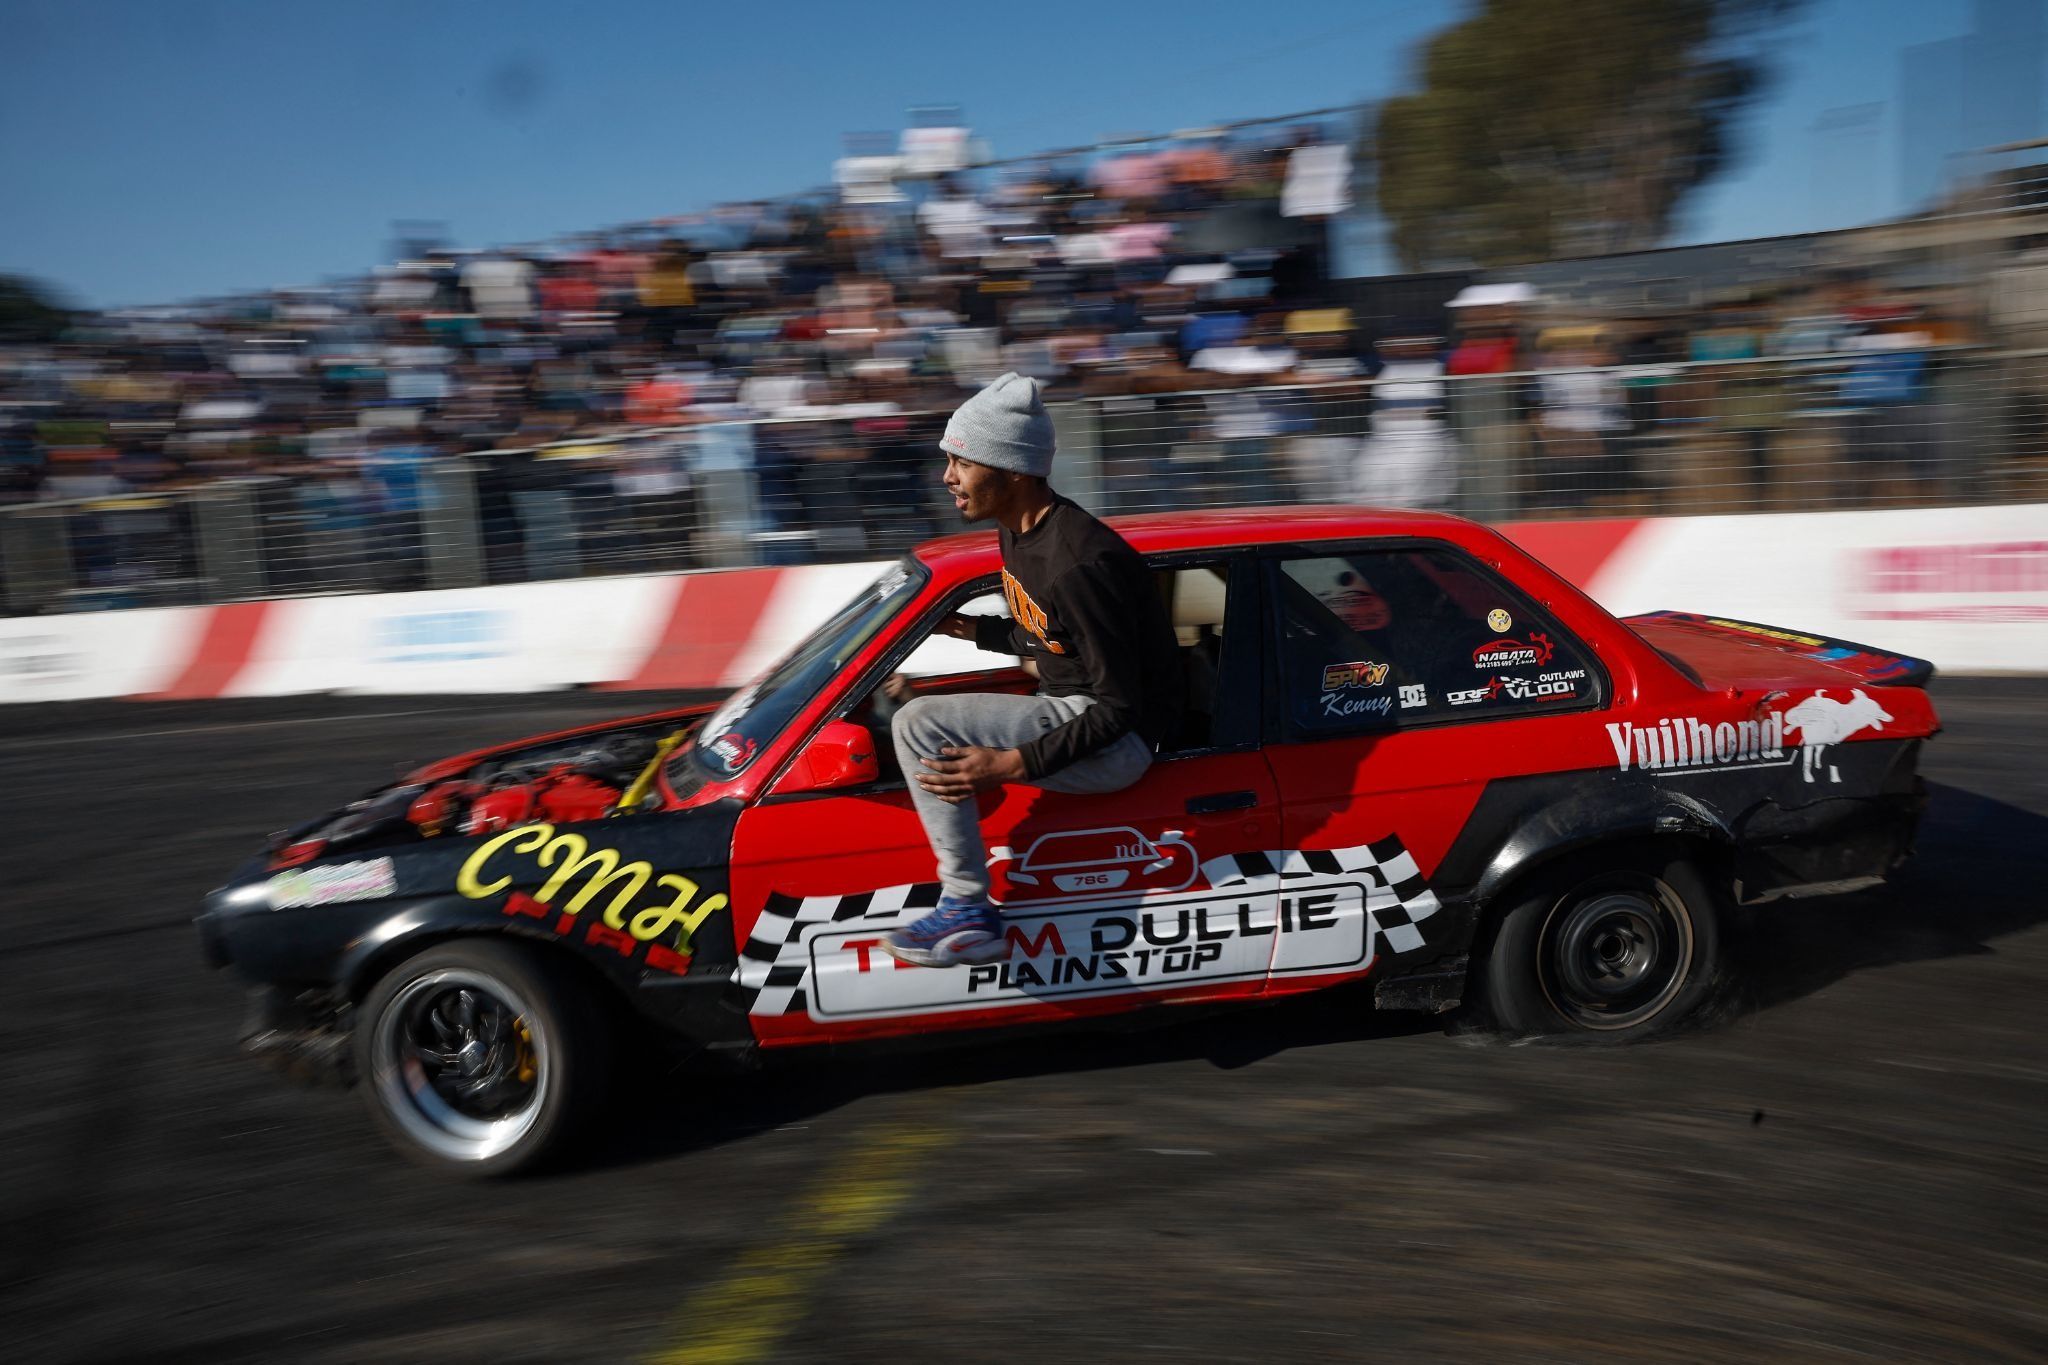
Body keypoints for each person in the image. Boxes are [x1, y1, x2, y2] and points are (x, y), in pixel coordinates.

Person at [882, 372, 1183, 967]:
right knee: (918, 703)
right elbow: (1052, 636)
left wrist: (1009, 764)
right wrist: (969, 629)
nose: (947, 477)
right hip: (1071, 710)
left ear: (1013, 470)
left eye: (962, 462)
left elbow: (1118, 707)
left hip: (1118, 744)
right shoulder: (1019, 531)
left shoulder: (1078, 562)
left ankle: (967, 907)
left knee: (919, 723)